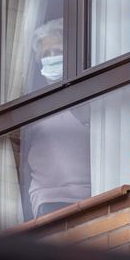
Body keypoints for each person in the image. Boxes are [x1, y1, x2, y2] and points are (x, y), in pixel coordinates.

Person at [22, 18, 91, 218]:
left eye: (58, 52)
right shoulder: (33, 108)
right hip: (48, 201)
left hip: (93, 194)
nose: (51, 58)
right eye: (46, 54)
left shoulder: (90, 96)